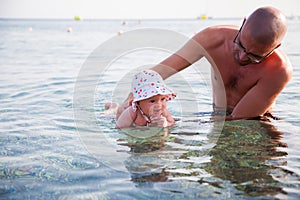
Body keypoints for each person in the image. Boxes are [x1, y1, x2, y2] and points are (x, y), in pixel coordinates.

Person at [118, 6, 292, 120]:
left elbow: (239, 119)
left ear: (275, 47)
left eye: (254, 57)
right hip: (217, 115)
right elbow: (159, 72)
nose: (242, 58)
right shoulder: (212, 38)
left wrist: (175, 124)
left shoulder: (279, 70)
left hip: (256, 121)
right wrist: (130, 103)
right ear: (243, 23)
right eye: (239, 46)